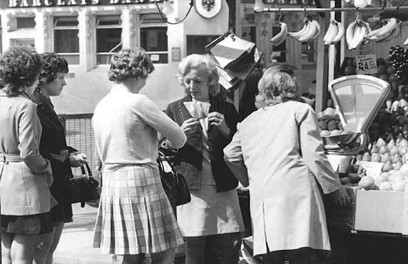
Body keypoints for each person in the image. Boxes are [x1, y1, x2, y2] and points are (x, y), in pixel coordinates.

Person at [224, 64, 351, 264]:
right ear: (291, 87)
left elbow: (230, 154)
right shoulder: (301, 110)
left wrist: (249, 179)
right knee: (301, 253)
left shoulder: (249, 121)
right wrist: (334, 187)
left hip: (264, 197)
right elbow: (314, 155)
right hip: (296, 195)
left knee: (272, 256)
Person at [92, 48, 187, 264]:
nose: (145, 81)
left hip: (113, 181)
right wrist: (164, 144)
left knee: (129, 252)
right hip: (142, 178)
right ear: (138, 73)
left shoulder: (101, 106)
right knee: (164, 250)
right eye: (146, 75)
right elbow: (179, 137)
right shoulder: (138, 101)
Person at [165, 54, 245, 264]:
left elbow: (240, 146)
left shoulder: (226, 107)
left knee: (232, 242)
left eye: (198, 81)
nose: (192, 86)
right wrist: (177, 136)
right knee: (195, 246)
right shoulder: (175, 109)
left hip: (223, 184)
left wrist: (227, 131)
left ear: (210, 81)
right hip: (191, 188)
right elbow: (164, 150)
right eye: (187, 80)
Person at [32, 52, 88, 264]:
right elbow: (34, 149)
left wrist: (70, 153)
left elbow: (52, 144)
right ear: (45, 77)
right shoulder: (36, 106)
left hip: (56, 184)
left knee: (48, 250)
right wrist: (66, 158)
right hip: (47, 186)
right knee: (43, 250)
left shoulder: (44, 103)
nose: (64, 83)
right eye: (61, 77)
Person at [0, 46, 54, 264]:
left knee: (5, 250)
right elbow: (29, 153)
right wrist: (45, 166)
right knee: (24, 248)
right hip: (24, 187)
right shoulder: (26, 106)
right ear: (31, 76)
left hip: (2, 179)